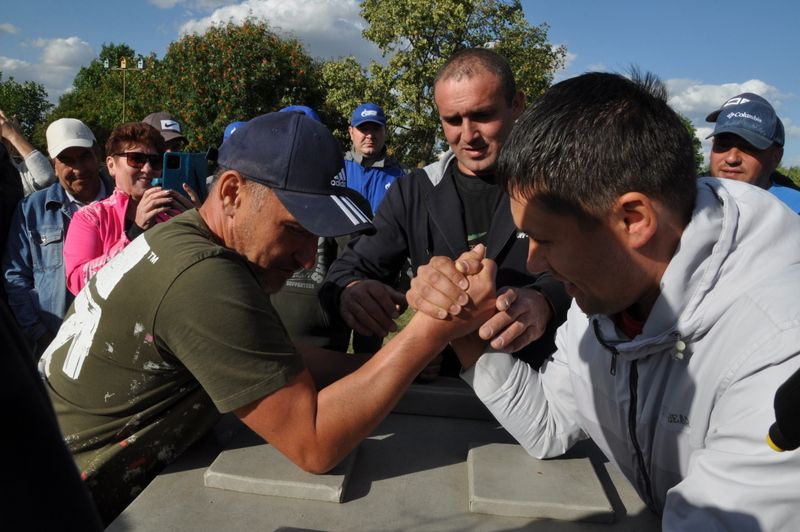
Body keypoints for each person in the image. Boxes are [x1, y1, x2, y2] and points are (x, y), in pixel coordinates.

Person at [40, 111, 497, 524]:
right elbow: (314, 444)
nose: (304, 259)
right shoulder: (204, 278)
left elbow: (270, 358)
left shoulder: (187, 241)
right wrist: (432, 330)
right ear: (233, 191)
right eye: (295, 229)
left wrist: (395, 365)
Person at [409, 72, 800, 530]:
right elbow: (550, 426)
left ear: (633, 219)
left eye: (545, 239)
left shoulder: (778, 349)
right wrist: (463, 328)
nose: (533, 264)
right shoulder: (609, 292)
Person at [322, 48, 570, 377]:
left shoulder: (560, 183)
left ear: (517, 105)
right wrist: (352, 294)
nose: (468, 136)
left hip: (548, 387)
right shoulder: (413, 191)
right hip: (445, 395)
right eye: (452, 120)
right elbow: (346, 271)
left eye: (482, 115)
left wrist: (545, 301)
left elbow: (603, 270)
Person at [3, 118, 111, 359]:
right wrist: (41, 335)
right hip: (53, 345)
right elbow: (15, 276)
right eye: (67, 161)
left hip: (114, 341)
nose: (79, 168)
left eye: (84, 156)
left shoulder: (124, 204)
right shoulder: (31, 210)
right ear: (54, 166)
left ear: (98, 155)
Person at [62, 122, 197, 296]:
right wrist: (135, 233)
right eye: (136, 159)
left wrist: (200, 223)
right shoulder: (90, 217)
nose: (147, 169)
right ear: (111, 165)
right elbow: (78, 282)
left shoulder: (176, 212)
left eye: (155, 162)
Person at [706, 92, 800, 213]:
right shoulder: (686, 202)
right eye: (723, 145)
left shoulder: (793, 211)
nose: (731, 158)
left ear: (775, 157)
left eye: (749, 147)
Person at [343, 102, 405, 213]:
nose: (370, 135)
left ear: (385, 132)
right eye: (363, 129)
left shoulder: (402, 177)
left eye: (375, 129)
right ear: (351, 132)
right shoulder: (336, 170)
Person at [0, 109, 57, 195]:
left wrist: (13, 136)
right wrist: (13, 135)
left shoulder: (19, 172)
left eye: (4, 139)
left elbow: (46, 177)